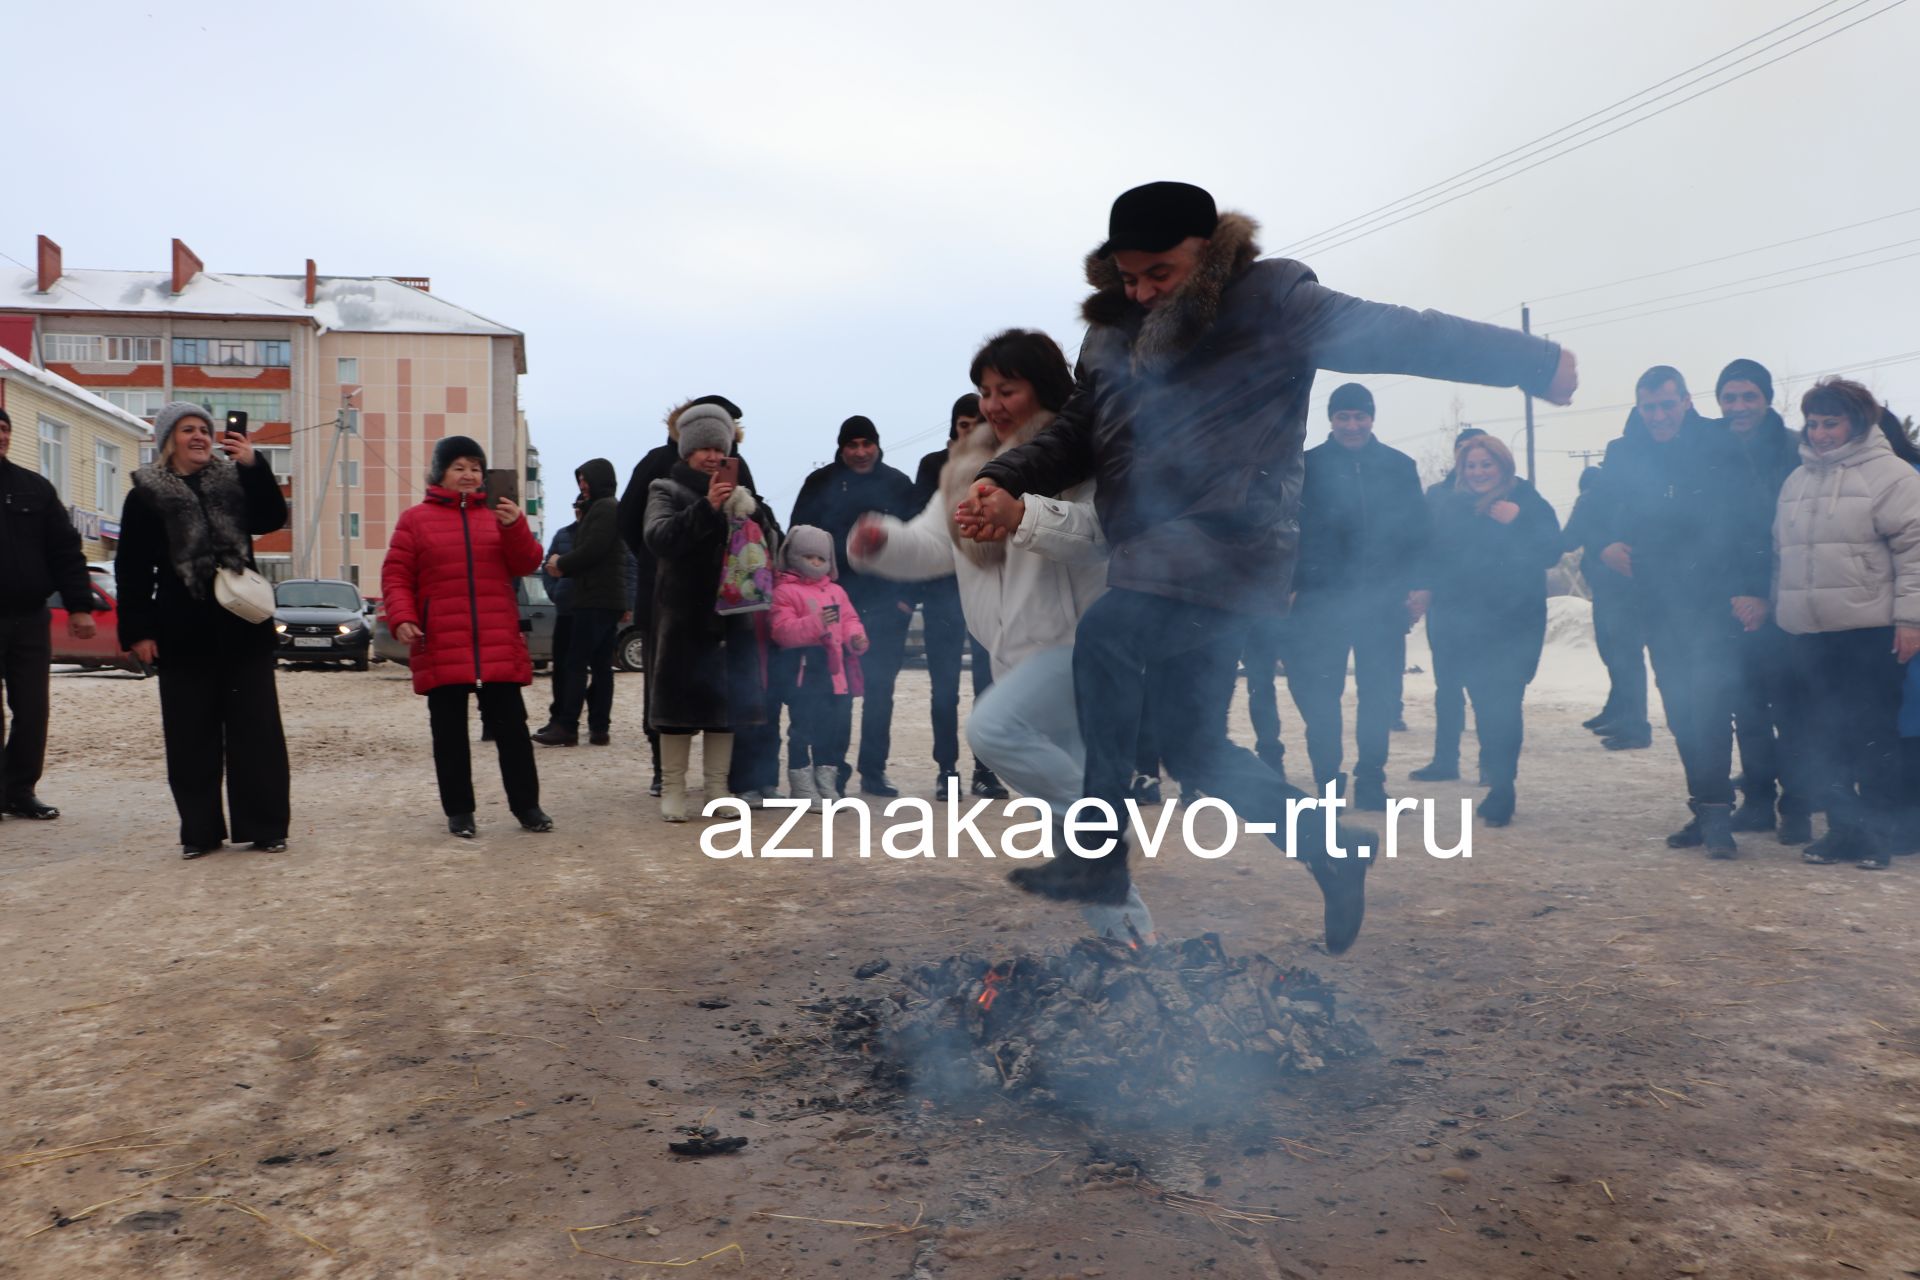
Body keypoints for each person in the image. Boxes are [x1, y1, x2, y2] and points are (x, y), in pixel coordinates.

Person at [965, 181, 1577, 952]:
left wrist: (1535, 361)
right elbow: (1085, 428)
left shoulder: (1271, 302)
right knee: (1195, 749)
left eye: (1161, 273)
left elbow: (1408, 335)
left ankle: (1099, 854)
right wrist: (1009, 476)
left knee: (1109, 636)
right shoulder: (1114, 334)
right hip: (1151, 551)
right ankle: (1332, 849)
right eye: (1128, 278)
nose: (1144, 292)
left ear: (1208, 251)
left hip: (1230, 546)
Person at [852, 328, 1155, 941]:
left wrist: (1021, 516)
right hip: (1012, 655)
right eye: (984, 391)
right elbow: (936, 545)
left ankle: (1104, 821)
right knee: (1059, 826)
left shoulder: (1079, 452)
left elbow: (1101, 535)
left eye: (1006, 390)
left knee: (991, 730)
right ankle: (1130, 939)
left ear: (1041, 388)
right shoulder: (967, 467)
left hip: (1080, 646)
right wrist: (882, 539)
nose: (991, 404)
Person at [1591, 366, 1770, 858]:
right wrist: (1603, 543)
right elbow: (1593, 512)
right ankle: (1705, 805)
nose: (1659, 415)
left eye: (1668, 404)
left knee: (1709, 704)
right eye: (1649, 407)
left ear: (1686, 401)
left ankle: (1716, 814)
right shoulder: (1626, 452)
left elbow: (1754, 520)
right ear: (1639, 408)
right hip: (1656, 604)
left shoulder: (1720, 445)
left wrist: (1756, 589)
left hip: (1714, 603)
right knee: (1679, 711)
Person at [116, 402, 291, 857]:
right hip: (182, 630)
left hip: (243, 627)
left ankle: (266, 826)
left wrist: (253, 464)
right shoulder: (145, 494)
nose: (199, 436)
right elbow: (132, 568)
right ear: (167, 438)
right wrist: (138, 631)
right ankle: (200, 831)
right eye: (188, 429)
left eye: (205, 429)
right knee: (191, 736)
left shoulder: (233, 480)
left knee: (257, 733)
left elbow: (271, 518)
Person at [1773, 379, 1920, 870]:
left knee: (1872, 734)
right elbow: (1784, 558)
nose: (1819, 434)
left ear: (1857, 423)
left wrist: (1911, 620)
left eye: (1830, 423)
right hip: (1807, 635)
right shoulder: (1797, 482)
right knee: (1822, 737)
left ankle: (1877, 834)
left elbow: (1916, 555)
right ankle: (1843, 830)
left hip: (1869, 631)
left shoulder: (1893, 477)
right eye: (1813, 423)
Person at [382, 436, 552, 838]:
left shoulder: (498, 515)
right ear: (440, 472)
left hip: (496, 641)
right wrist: (402, 616)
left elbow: (527, 562)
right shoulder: (415, 520)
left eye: (475, 467)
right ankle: (459, 812)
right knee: (449, 735)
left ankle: (528, 807)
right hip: (442, 641)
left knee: (513, 732)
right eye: (459, 467)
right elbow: (396, 576)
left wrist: (516, 526)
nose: (469, 475)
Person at [1286, 383, 1431, 810]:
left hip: (1381, 600)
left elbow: (1418, 533)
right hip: (1321, 600)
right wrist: (1291, 584)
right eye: (1343, 416)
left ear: (1372, 418)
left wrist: (1421, 583)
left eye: (1359, 416)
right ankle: (1327, 786)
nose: (1352, 425)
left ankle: (1371, 781)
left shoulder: (1398, 467)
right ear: (1330, 419)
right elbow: (1289, 530)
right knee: (1320, 695)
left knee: (1379, 694)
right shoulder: (1308, 466)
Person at [645, 402, 782, 821]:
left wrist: (753, 514)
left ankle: (718, 789)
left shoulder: (743, 494)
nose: (711, 456)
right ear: (686, 451)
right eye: (702, 448)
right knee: (677, 710)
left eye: (717, 449)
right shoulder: (664, 489)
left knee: (726, 708)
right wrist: (706, 507)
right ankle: (673, 789)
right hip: (683, 616)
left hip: (732, 616)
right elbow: (658, 538)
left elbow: (774, 544)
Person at [617, 395, 759, 797]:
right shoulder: (657, 466)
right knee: (665, 688)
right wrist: (656, 564)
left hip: (726, 600)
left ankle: (725, 782)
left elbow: (757, 530)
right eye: (706, 444)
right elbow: (631, 522)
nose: (715, 454)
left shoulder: (737, 468)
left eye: (722, 442)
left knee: (725, 693)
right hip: (666, 594)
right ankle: (665, 773)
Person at [1425, 436, 1562, 826]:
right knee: (1485, 704)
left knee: (1505, 703)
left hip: (1514, 622)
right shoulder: (1452, 506)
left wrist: (1517, 522)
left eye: (1487, 465)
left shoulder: (1527, 501)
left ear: (1503, 466)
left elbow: (1553, 549)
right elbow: (1436, 557)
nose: (1479, 472)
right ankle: (1498, 777)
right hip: (1466, 623)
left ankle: (1503, 786)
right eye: (1471, 466)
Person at [790, 415, 920, 797]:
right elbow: (798, 539)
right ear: (841, 447)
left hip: (885, 607)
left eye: (867, 444)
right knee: (838, 693)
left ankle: (874, 771)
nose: (861, 452)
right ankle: (836, 770)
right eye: (853, 445)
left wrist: (905, 601)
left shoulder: (897, 484)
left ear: (878, 445)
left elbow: (918, 545)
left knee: (881, 693)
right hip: (833, 609)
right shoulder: (820, 483)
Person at [1713, 358, 1813, 842]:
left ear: (1767, 399)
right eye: (1729, 398)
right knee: (1746, 708)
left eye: (1748, 396)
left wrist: (1766, 598)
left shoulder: (1797, 449)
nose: (1738, 407)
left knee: (1792, 712)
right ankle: (1756, 800)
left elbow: (1802, 533)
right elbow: (1709, 531)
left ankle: (1797, 806)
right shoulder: (1712, 450)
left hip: (1788, 599)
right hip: (1730, 602)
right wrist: (1735, 595)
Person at [0, 406, 95, 821]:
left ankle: (19, 791)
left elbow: (65, 552)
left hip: (28, 617)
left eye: (5, 429)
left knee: (33, 709)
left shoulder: (34, 489)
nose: (1, 436)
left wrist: (79, 606)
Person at [913, 394, 1006, 798]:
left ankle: (985, 770)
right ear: (954, 427)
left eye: (975, 423)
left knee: (989, 686)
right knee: (943, 688)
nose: (969, 431)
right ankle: (945, 769)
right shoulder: (933, 466)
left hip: (986, 588)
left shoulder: (1002, 463)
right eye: (962, 424)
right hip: (941, 592)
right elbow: (919, 525)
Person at [1410, 426, 1490, 782]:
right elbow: (1423, 546)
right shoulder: (1437, 496)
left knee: (1485, 687)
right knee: (1447, 686)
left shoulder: (1501, 494)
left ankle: (1491, 764)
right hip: (1446, 604)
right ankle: (1445, 760)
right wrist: (1421, 586)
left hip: (1487, 607)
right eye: (1463, 452)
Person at [770, 526, 868, 806]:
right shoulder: (785, 591)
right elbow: (782, 631)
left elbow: (850, 620)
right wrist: (817, 623)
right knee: (802, 728)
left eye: (820, 558)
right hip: (803, 674)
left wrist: (856, 637)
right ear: (793, 556)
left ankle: (827, 783)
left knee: (832, 729)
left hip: (834, 673)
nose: (815, 563)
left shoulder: (837, 591)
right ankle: (801, 785)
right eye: (809, 556)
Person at [536, 459, 626, 748]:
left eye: (585, 480)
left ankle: (567, 725)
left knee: (575, 663)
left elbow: (592, 550)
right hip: (602, 598)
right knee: (600, 665)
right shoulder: (605, 508)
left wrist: (560, 564)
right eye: (580, 481)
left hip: (594, 599)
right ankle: (599, 728)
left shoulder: (605, 508)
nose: (582, 486)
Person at [1561, 461, 1651, 751]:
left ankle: (1634, 724)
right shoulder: (1631, 496)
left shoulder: (1591, 499)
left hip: (1613, 588)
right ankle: (1620, 714)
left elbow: (1569, 537)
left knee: (1620, 655)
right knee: (1622, 656)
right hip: (1628, 585)